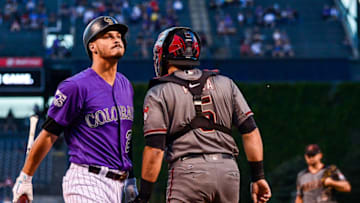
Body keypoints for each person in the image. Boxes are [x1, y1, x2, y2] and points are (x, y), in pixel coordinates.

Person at [131, 27, 271, 203]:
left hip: (188, 171)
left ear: (164, 54)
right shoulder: (225, 83)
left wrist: (144, 196)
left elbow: (155, 149)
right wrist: (258, 176)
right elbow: (250, 132)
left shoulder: (159, 92)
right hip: (228, 171)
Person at [12, 16, 138, 203]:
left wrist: (131, 179)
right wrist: (25, 177)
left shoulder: (125, 85)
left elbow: (125, 139)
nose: (116, 39)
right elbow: (49, 134)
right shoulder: (75, 86)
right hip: (87, 180)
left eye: (119, 35)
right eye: (108, 36)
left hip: (118, 184)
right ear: (92, 46)